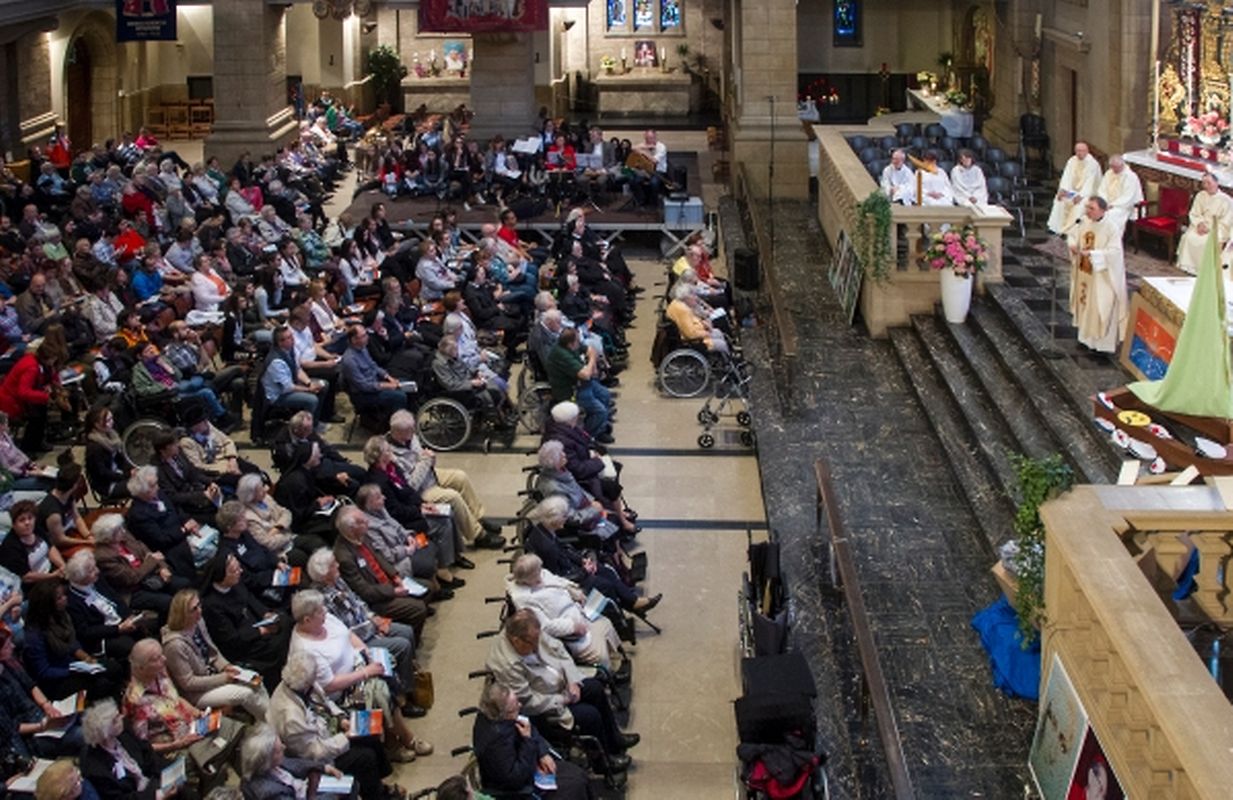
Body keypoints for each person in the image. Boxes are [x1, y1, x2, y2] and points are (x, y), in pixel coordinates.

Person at [287, 590, 431, 763]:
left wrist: (366, 652)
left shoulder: (325, 620)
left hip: (359, 666)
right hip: (341, 693)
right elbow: (329, 685)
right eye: (320, 611)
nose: (325, 611)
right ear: (307, 620)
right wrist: (365, 672)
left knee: (384, 670)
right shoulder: (305, 650)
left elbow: (348, 634)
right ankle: (403, 741)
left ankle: (395, 737)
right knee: (380, 691)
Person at [485, 610, 636, 772]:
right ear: (516, 641)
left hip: (563, 684)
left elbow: (559, 649)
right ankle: (603, 763)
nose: (537, 646)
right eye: (532, 643)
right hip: (547, 705)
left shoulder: (531, 633)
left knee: (596, 689)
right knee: (590, 716)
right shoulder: (508, 665)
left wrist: (573, 680)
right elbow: (528, 702)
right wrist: (562, 699)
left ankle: (614, 739)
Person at [268, 651, 393, 800]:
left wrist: (341, 718)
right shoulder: (290, 717)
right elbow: (315, 753)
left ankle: (380, 787)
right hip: (318, 757)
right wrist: (346, 737)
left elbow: (325, 702)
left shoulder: (300, 684)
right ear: (307, 682)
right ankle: (376, 796)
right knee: (365, 757)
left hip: (328, 730)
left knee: (371, 736)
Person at [473, 681, 594, 800]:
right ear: (503, 713)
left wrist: (543, 753)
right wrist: (528, 741)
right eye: (514, 707)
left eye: (517, 702)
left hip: (529, 762)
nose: (520, 706)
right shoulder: (496, 741)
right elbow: (515, 779)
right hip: (517, 789)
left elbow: (529, 727)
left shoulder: (506, 715)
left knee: (578, 774)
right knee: (574, 786)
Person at [161, 588, 271, 718]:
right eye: (193, 609)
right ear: (182, 614)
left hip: (215, 673)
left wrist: (225, 666)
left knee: (256, 679)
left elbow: (212, 651)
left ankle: (270, 714)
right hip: (198, 693)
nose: (199, 611)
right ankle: (273, 721)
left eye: (199, 606)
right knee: (246, 694)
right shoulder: (174, 646)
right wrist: (224, 678)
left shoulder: (198, 622)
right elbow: (188, 683)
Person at [507, 554, 623, 671]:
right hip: (569, 632)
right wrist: (573, 627)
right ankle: (610, 675)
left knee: (606, 622)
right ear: (529, 578)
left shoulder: (541, 573)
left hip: (577, 611)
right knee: (599, 656)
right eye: (537, 571)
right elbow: (545, 627)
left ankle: (615, 656)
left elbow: (559, 581)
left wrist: (574, 591)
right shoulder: (524, 600)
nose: (542, 572)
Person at [333, 507, 430, 638]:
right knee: (418, 608)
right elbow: (364, 591)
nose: (367, 522)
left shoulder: (361, 535)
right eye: (362, 521)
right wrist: (393, 591)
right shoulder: (344, 556)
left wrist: (395, 576)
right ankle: (409, 639)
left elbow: (379, 557)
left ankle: (406, 626)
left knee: (429, 588)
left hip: (389, 583)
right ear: (351, 529)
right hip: (378, 599)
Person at [199, 553, 292, 688]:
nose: (240, 572)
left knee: (286, 621)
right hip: (243, 642)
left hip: (255, 623)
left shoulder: (236, 583)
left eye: (239, 568)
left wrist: (265, 613)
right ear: (222, 576)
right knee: (276, 645)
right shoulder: (211, 605)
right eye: (235, 570)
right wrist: (259, 631)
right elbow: (230, 638)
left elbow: (249, 598)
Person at [22, 579, 123, 702]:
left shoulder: (62, 616)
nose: (65, 599)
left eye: (64, 595)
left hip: (74, 664)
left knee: (114, 668)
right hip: (56, 681)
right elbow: (43, 671)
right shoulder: (34, 636)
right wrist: (74, 671)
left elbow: (72, 642)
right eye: (59, 598)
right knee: (101, 684)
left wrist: (86, 658)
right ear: (48, 604)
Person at [0, 625, 83, 758]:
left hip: (40, 715)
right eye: (7, 645)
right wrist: (43, 726)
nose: (13, 646)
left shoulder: (9, 664)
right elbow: (12, 728)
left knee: (83, 716)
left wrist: (47, 705)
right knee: (82, 735)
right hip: (30, 734)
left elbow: (31, 685)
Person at [91, 514, 188, 622]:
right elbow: (131, 578)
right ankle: (167, 627)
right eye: (118, 530)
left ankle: (187, 618)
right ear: (108, 537)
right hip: (133, 591)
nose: (123, 531)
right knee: (167, 602)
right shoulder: (103, 557)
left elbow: (147, 552)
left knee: (183, 584)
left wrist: (162, 568)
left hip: (150, 577)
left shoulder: (125, 538)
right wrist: (151, 561)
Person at [1067, 196, 1128, 354]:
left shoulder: (1111, 228)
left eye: (1091, 208)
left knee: (1100, 307)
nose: (1087, 211)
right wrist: (1073, 245)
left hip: (1102, 276)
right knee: (1085, 304)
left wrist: (1093, 255)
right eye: (1087, 207)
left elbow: (1115, 253)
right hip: (1085, 271)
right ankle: (1085, 339)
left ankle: (1102, 346)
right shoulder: (1083, 221)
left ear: (1102, 210)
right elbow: (1072, 234)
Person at [80, 698, 165, 800]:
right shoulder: (96, 768)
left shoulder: (124, 733)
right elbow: (119, 798)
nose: (122, 717)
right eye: (115, 720)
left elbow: (148, 753)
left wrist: (160, 780)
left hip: (154, 781)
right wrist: (153, 796)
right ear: (104, 732)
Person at [545, 328, 612, 443]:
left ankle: (600, 429)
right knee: (600, 411)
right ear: (571, 344)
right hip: (571, 390)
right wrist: (592, 363)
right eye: (577, 340)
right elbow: (585, 374)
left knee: (605, 394)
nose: (579, 342)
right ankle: (586, 436)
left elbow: (591, 350)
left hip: (582, 383)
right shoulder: (562, 355)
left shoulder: (570, 345)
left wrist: (591, 364)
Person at [339, 325, 409, 418]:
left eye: (366, 334)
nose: (367, 338)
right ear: (354, 340)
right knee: (400, 396)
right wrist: (387, 385)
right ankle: (397, 424)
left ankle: (407, 417)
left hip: (375, 384)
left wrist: (388, 377)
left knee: (407, 384)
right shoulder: (349, 360)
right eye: (363, 336)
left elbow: (374, 366)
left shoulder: (363, 349)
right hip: (363, 395)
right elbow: (364, 386)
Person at [1176, 171, 1233, 275]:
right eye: (1204, 183)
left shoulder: (1227, 201)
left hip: (1216, 229)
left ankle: (1204, 271)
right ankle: (1189, 267)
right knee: (1189, 237)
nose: (1206, 186)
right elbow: (1194, 213)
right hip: (1200, 226)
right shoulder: (1200, 195)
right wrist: (1199, 224)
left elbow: (1226, 222)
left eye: (1209, 183)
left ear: (1216, 183)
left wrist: (1209, 228)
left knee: (1205, 242)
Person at [0, 499, 65, 586]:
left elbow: (50, 548)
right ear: (14, 524)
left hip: (52, 569)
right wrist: (52, 576)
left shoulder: (35, 528)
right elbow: (26, 577)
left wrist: (62, 566)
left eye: (30, 518)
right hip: (35, 584)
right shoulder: (10, 546)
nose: (27, 523)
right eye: (22, 520)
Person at [1047, 140, 1102, 234]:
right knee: (1060, 199)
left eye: (1082, 151)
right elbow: (1066, 177)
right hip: (1072, 191)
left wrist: (1081, 195)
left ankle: (1071, 230)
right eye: (1077, 151)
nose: (1079, 153)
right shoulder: (1072, 161)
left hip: (1086, 194)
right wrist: (1063, 190)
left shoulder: (1093, 164)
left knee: (1081, 204)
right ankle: (1056, 227)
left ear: (1087, 151)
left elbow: (1090, 183)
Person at [83, 406, 130, 502]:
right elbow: (103, 473)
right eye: (108, 421)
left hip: (116, 475)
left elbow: (119, 459)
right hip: (107, 485)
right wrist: (126, 476)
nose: (112, 422)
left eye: (111, 419)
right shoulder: (95, 448)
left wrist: (130, 470)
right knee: (145, 486)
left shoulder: (110, 435)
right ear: (97, 424)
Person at [1095, 154, 1144, 238]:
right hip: (1107, 203)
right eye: (1112, 167)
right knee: (1094, 209)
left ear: (1122, 165)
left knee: (1110, 215)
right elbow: (1102, 189)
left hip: (1123, 206)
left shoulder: (1130, 176)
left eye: (1116, 167)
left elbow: (1128, 197)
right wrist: (1104, 202)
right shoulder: (1109, 173)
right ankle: (1098, 239)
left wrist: (1112, 205)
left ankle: (1111, 241)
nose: (1114, 169)